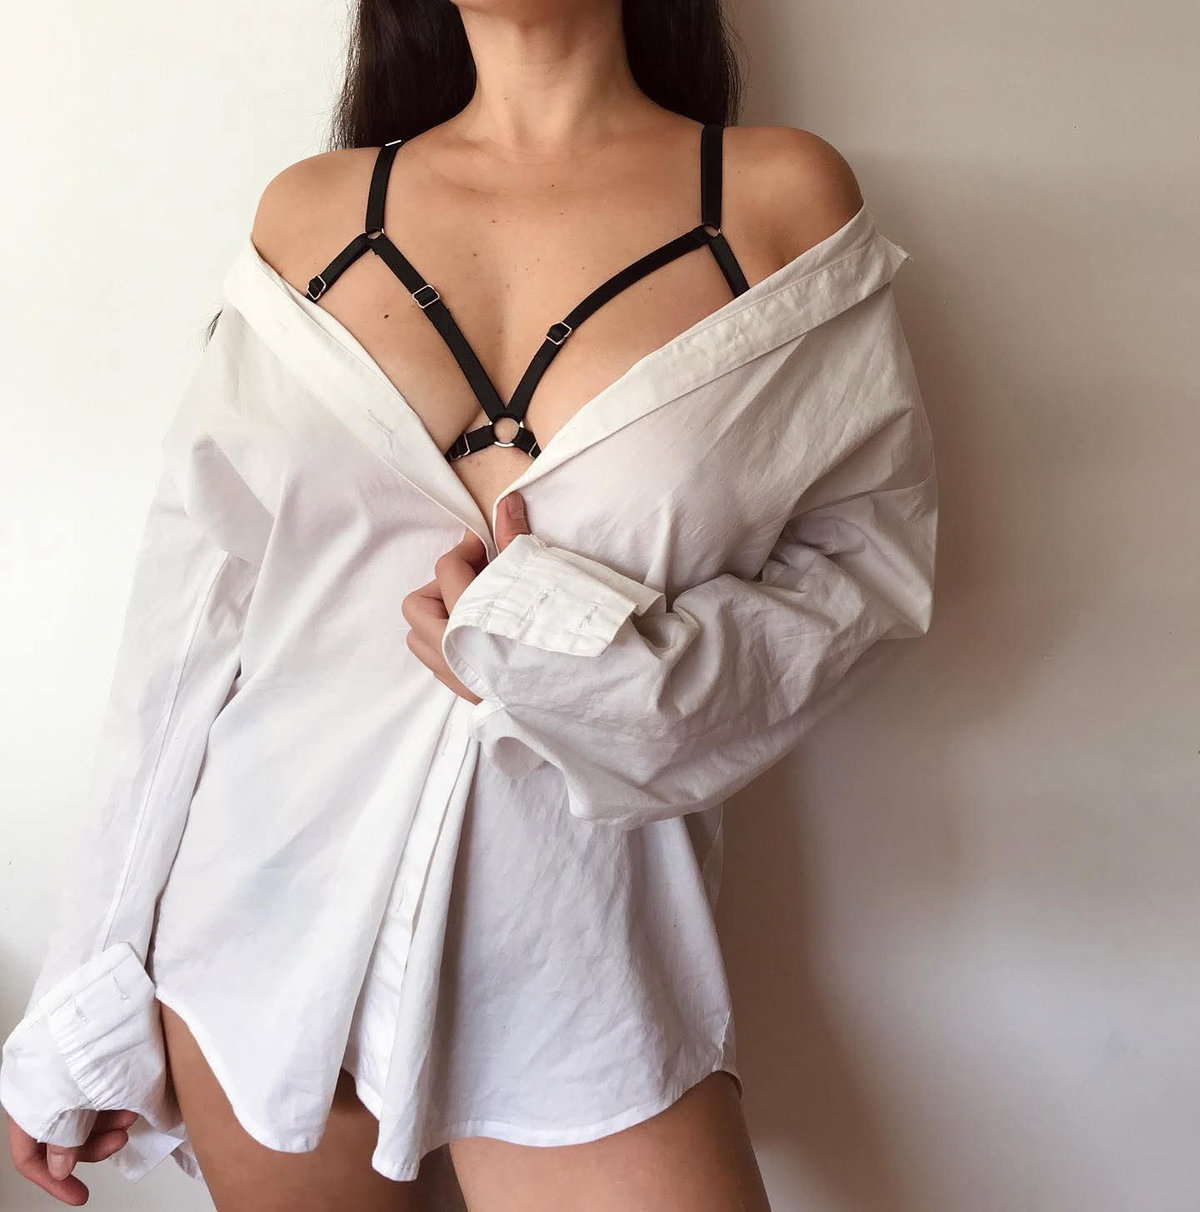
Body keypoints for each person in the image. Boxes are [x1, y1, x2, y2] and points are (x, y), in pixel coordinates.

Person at [3, 1, 939, 1209]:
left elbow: (864, 580)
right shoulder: (310, 215)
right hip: (258, 938)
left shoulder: (774, 200)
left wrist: (566, 653)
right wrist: (84, 988)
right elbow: (190, 621)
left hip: (582, 953)